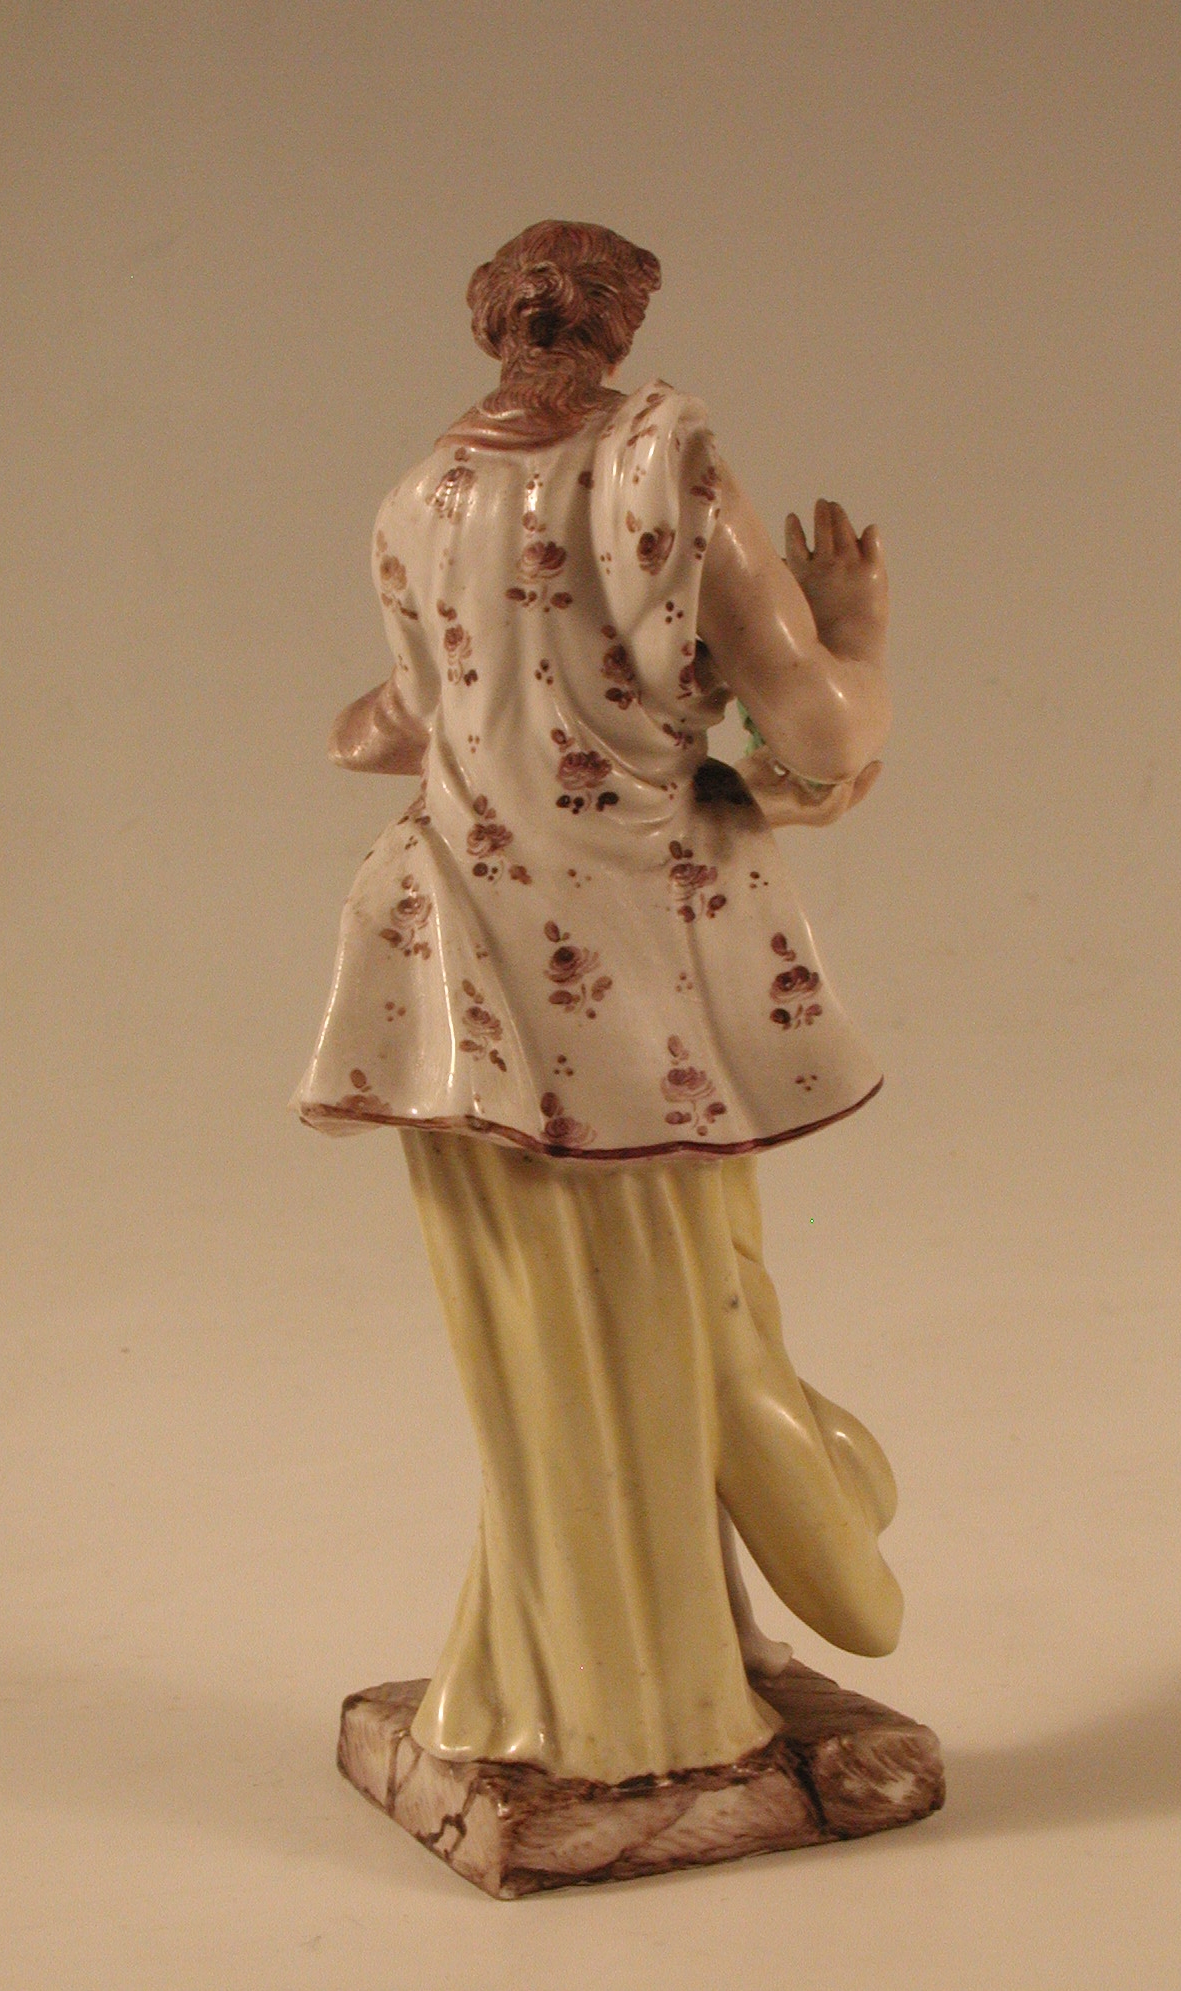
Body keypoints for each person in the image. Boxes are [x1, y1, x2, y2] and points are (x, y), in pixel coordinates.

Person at [296, 220, 904, 1783]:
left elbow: (390, 724)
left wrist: (461, 708)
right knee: (659, 1328)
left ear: (491, 330)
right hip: (633, 980)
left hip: (456, 971)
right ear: (624, 327)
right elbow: (817, 734)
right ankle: (639, 1711)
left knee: (548, 1357)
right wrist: (856, 628)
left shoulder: (416, 497)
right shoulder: (666, 471)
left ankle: (571, 1676)